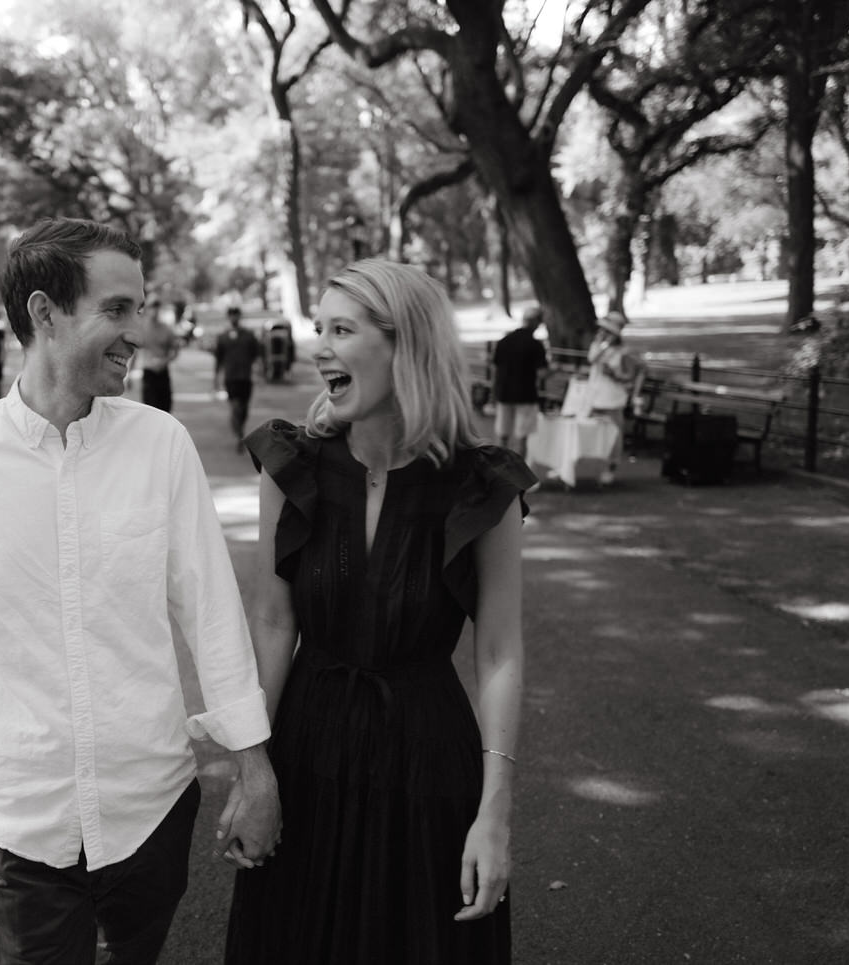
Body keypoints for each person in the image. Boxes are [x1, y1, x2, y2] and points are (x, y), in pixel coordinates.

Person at [0, 217, 280, 965]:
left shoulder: (162, 447)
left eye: (139, 310)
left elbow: (212, 617)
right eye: (117, 310)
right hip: (18, 820)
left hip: (151, 806)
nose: (137, 332)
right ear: (45, 314)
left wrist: (255, 770)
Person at [223, 259, 534, 964]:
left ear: (406, 345)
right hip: (307, 758)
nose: (319, 347)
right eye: (319, 329)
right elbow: (274, 622)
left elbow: (500, 652)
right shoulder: (291, 465)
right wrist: (252, 772)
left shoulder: (481, 484)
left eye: (341, 329)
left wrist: (495, 811)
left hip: (427, 768)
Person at [586, 310, 643, 486]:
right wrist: (603, 346)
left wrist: (614, 375)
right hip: (594, 396)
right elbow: (592, 359)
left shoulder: (623, 352)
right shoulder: (597, 346)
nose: (603, 333)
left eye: (607, 331)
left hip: (613, 398)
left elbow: (632, 375)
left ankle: (610, 467)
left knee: (614, 434)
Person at [492, 304, 549, 458]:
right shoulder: (536, 345)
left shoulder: (504, 341)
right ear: (536, 322)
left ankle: (497, 471)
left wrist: (494, 393)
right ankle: (518, 475)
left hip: (504, 392)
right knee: (522, 437)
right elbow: (542, 373)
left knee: (502, 434)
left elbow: (496, 369)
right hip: (526, 394)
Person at [213, 306, 262, 450]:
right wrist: (215, 379)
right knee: (235, 407)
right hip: (231, 378)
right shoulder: (222, 337)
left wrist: (258, 370)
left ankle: (240, 428)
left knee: (244, 409)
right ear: (228, 317)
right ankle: (239, 434)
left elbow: (256, 355)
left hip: (245, 377)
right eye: (231, 315)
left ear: (240, 317)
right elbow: (218, 360)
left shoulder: (249, 335)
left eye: (236, 315)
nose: (234, 318)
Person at [139, 296, 181, 412]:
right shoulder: (142, 328)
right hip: (149, 372)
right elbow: (135, 351)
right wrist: (129, 375)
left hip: (162, 372)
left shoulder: (166, 329)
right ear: (148, 309)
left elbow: (175, 350)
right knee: (150, 408)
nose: (155, 311)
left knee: (165, 408)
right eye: (152, 307)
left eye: (157, 307)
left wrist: (165, 360)